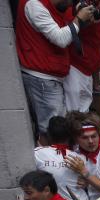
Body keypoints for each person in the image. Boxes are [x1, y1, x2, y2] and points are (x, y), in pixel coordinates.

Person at [15, 0, 95, 141]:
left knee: (56, 127)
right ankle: (51, 161)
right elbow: (61, 39)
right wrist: (78, 19)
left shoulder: (55, 8)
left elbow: (68, 30)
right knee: (53, 130)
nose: (71, 5)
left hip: (50, 76)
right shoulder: (34, 4)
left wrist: (84, 19)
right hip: (41, 77)